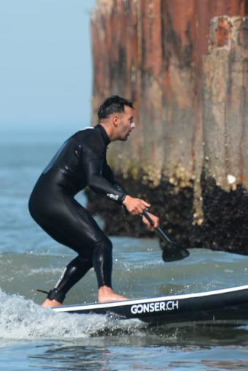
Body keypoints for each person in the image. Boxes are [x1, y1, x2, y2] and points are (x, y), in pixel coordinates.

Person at [29, 95, 159, 307]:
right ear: (116, 120)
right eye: (131, 120)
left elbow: (110, 182)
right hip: (53, 199)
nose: (133, 126)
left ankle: (53, 300)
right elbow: (94, 181)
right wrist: (126, 200)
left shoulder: (93, 141)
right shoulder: (92, 140)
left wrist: (142, 211)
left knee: (90, 251)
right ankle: (105, 292)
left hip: (40, 203)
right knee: (101, 244)